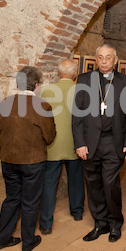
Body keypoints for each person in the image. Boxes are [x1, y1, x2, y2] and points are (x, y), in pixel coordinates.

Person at [72, 43, 126, 242]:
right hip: (90, 142)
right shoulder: (83, 80)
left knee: (110, 184)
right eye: (100, 57)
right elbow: (77, 115)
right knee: (93, 184)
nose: (104, 61)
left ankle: (115, 223)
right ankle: (100, 223)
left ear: (115, 60)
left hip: (113, 141)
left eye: (108, 57)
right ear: (95, 59)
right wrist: (79, 143)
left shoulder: (125, 81)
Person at [0, 66, 56, 251]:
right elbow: (50, 137)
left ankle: (0, 240)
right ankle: (28, 241)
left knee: (11, 199)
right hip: (32, 161)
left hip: (8, 159)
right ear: (36, 85)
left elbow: (1, 128)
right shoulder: (42, 106)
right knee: (30, 201)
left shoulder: (5, 103)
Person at [38, 59, 85, 235]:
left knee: (49, 183)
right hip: (75, 143)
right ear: (75, 73)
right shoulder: (80, 90)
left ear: (58, 72)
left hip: (53, 144)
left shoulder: (46, 91)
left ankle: (46, 223)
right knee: (76, 179)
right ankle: (77, 211)